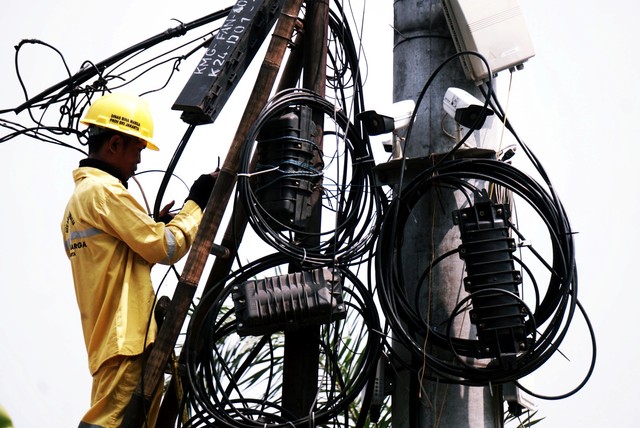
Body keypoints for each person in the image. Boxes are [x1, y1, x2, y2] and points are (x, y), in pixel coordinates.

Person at [61, 92, 217, 428]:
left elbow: (115, 262)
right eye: (137, 149)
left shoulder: (78, 203)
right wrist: (196, 203)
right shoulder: (106, 193)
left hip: (111, 343)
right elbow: (167, 247)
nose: (139, 161)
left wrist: (146, 223)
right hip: (125, 340)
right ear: (115, 145)